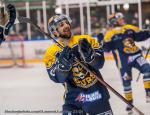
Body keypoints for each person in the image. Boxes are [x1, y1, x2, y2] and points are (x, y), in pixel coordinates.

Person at [43, 14, 113, 115]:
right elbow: (57, 78)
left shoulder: (86, 39)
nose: (66, 26)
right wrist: (63, 68)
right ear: (54, 31)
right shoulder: (51, 52)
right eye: (61, 25)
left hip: (96, 94)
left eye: (67, 22)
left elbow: (100, 63)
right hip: (74, 100)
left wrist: (92, 58)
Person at [99, 12, 150, 114]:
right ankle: (129, 102)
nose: (123, 19)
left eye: (122, 18)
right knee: (126, 83)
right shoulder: (110, 33)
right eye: (120, 18)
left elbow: (140, 34)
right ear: (114, 21)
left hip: (136, 56)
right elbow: (106, 48)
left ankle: (148, 92)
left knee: (147, 69)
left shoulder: (128, 27)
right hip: (123, 62)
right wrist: (102, 39)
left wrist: (148, 32)